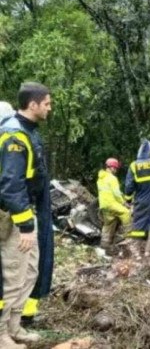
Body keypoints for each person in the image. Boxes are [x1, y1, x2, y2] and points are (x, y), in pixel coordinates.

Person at [0, 83, 54, 348]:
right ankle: (1, 335)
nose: (49, 108)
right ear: (32, 105)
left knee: (29, 270)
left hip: (28, 212)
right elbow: (11, 186)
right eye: (47, 103)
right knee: (12, 272)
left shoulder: (29, 132)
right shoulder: (15, 136)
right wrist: (25, 225)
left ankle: (14, 326)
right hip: (13, 216)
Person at [97, 158, 132, 251]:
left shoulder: (101, 178)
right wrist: (124, 203)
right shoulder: (112, 178)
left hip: (103, 205)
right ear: (111, 167)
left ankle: (104, 245)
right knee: (126, 213)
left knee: (109, 223)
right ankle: (129, 237)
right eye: (115, 168)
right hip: (111, 203)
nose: (116, 170)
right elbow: (116, 193)